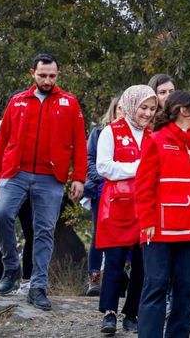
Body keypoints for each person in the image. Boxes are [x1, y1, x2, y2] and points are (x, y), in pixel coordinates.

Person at [0, 53, 87, 310]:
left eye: (52, 76)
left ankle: (39, 286)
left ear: (58, 75)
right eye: (42, 75)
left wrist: (78, 178)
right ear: (33, 73)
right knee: (2, 214)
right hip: (15, 172)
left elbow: (80, 143)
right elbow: (2, 141)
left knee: (43, 230)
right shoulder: (18, 101)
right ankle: (11, 267)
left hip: (50, 177)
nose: (47, 80)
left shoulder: (69, 103)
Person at [136, 91, 190, 338]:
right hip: (160, 230)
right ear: (183, 110)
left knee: (188, 287)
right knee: (156, 285)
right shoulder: (156, 141)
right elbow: (143, 185)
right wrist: (147, 221)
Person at [95, 85, 157, 335]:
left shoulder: (154, 135)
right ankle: (108, 312)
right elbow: (104, 167)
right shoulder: (112, 131)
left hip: (145, 209)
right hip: (118, 207)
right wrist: (138, 167)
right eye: (143, 107)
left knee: (143, 264)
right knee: (115, 262)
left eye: (152, 109)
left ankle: (132, 313)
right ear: (131, 104)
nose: (147, 113)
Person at [0, 118, 34, 295]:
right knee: (3, 229)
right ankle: (4, 279)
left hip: (32, 185)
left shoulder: (36, 125)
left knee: (32, 230)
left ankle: (27, 281)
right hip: (5, 185)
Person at [84, 94, 123, 296]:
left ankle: (121, 277)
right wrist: (101, 178)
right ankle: (94, 277)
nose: (122, 113)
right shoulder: (99, 133)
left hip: (128, 191)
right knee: (99, 233)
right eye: (119, 108)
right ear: (113, 110)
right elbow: (89, 159)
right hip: (103, 189)